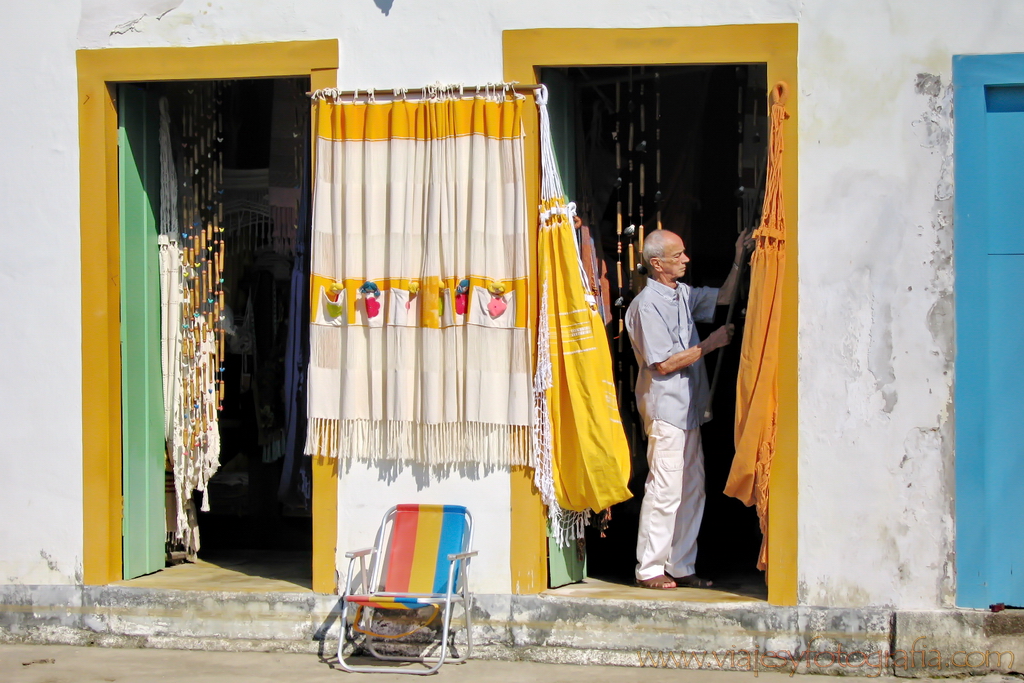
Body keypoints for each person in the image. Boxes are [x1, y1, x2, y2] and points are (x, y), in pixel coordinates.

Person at [624, 228, 750, 590]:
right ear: (657, 263)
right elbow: (662, 364)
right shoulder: (646, 307)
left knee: (692, 487)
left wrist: (740, 255)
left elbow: (725, 295)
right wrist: (710, 344)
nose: (686, 260)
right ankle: (649, 568)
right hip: (666, 410)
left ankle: (680, 563)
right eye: (678, 255)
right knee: (665, 488)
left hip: (691, 409)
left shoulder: (681, 295)